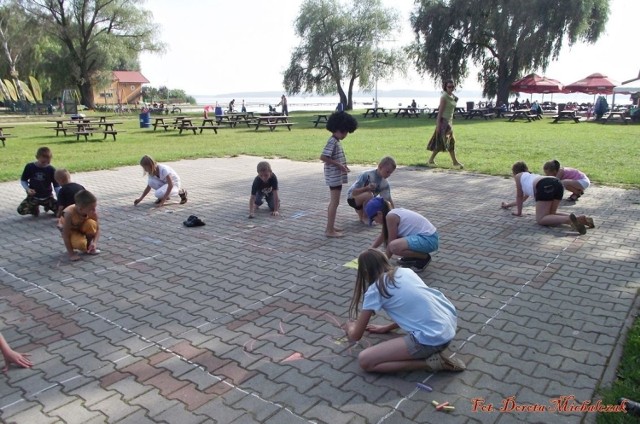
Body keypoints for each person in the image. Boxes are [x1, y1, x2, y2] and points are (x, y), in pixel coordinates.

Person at [342, 249, 466, 373]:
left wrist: (350, 327)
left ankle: (432, 363)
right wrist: (387, 327)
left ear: (365, 271)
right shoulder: (405, 271)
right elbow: (416, 307)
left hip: (432, 340)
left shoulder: (375, 290)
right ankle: (431, 354)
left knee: (365, 361)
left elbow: (356, 336)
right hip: (447, 328)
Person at [501, 161, 594, 234]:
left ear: (514, 172)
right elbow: (523, 199)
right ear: (526, 169)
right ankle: (579, 219)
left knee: (541, 219)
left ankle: (569, 220)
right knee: (550, 215)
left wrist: (519, 213)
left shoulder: (518, 176)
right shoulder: (530, 177)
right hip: (557, 184)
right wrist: (507, 205)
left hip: (544, 185)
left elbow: (519, 196)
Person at [365, 197, 438, 272]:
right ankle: (413, 257)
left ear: (379, 213)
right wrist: (369, 251)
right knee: (395, 242)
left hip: (429, 240)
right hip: (428, 238)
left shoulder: (391, 217)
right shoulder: (391, 213)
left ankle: (424, 257)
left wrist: (381, 264)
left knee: (394, 246)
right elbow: (383, 235)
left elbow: (391, 245)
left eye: (374, 219)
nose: (375, 222)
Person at [320, 111, 359, 238]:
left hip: (336, 176)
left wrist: (343, 165)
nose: (346, 134)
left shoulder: (336, 141)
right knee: (334, 203)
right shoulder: (332, 141)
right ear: (339, 129)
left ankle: (330, 226)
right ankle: (329, 230)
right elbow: (324, 157)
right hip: (333, 177)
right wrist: (339, 165)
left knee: (334, 202)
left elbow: (334, 157)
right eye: (346, 131)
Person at [346, 157, 396, 224]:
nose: (388, 175)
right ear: (380, 167)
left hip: (366, 201)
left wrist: (393, 213)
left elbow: (387, 199)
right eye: (387, 172)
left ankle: (361, 211)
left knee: (379, 202)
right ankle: (365, 217)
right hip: (352, 198)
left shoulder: (385, 183)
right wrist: (366, 188)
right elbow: (353, 192)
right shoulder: (366, 175)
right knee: (369, 195)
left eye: (390, 173)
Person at [426, 79, 464, 169]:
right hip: (444, 122)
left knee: (441, 141)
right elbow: (440, 112)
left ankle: (431, 160)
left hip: (449, 121)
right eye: (449, 87)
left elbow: (454, 102)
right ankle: (455, 162)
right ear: (445, 87)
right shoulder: (444, 97)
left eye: (452, 87)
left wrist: (453, 96)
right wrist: (438, 124)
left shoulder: (451, 96)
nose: (451, 88)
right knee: (450, 141)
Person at [17, 146, 59, 217]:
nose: (45, 164)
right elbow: (23, 180)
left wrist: (60, 199)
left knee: (60, 211)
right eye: (43, 162)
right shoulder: (30, 167)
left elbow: (56, 186)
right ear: (37, 157)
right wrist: (28, 189)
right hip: (33, 196)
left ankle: (48, 206)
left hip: (47, 197)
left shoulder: (51, 169)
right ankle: (34, 208)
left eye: (48, 162)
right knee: (21, 210)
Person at [60, 190, 100, 261]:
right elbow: (65, 235)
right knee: (80, 244)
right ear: (81, 209)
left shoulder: (92, 212)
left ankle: (89, 247)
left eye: (95, 207)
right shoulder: (69, 213)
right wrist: (71, 254)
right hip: (71, 230)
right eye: (92, 209)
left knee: (91, 224)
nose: (94, 210)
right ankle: (80, 245)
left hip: (81, 226)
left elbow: (97, 229)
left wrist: (94, 243)